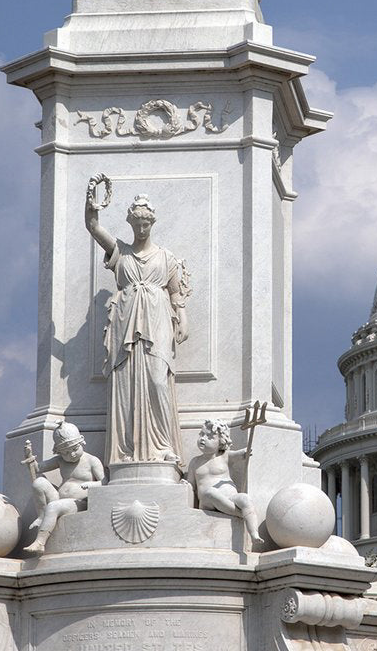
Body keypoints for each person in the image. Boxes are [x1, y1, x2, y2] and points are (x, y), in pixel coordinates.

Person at [85, 186, 189, 465]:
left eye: (146, 224)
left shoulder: (166, 258)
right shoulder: (121, 252)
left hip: (158, 317)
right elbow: (93, 227)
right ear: (131, 224)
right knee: (127, 383)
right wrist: (92, 203)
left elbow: (176, 293)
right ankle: (128, 448)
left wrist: (183, 318)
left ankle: (163, 444)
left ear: (151, 224)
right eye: (137, 224)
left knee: (158, 380)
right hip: (126, 318)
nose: (142, 229)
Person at [23, 422, 105, 553]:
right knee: (39, 482)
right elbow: (38, 468)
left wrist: (92, 484)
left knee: (54, 506)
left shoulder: (92, 460)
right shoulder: (60, 460)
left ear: (82, 442)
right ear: (59, 452)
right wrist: (29, 458)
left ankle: (40, 542)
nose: (71, 454)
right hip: (58, 497)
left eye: (74, 449)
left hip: (79, 503)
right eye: (65, 452)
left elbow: (105, 482)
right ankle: (41, 516)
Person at [188, 418, 263, 547]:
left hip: (230, 496)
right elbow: (191, 484)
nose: (203, 438)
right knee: (211, 492)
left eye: (209, 436)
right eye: (202, 434)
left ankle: (254, 533)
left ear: (221, 442)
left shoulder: (225, 456)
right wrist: (185, 484)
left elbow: (241, 454)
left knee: (245, 499)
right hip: (207, 501)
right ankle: (242, 514)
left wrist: (245, 452)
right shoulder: (195, 462)